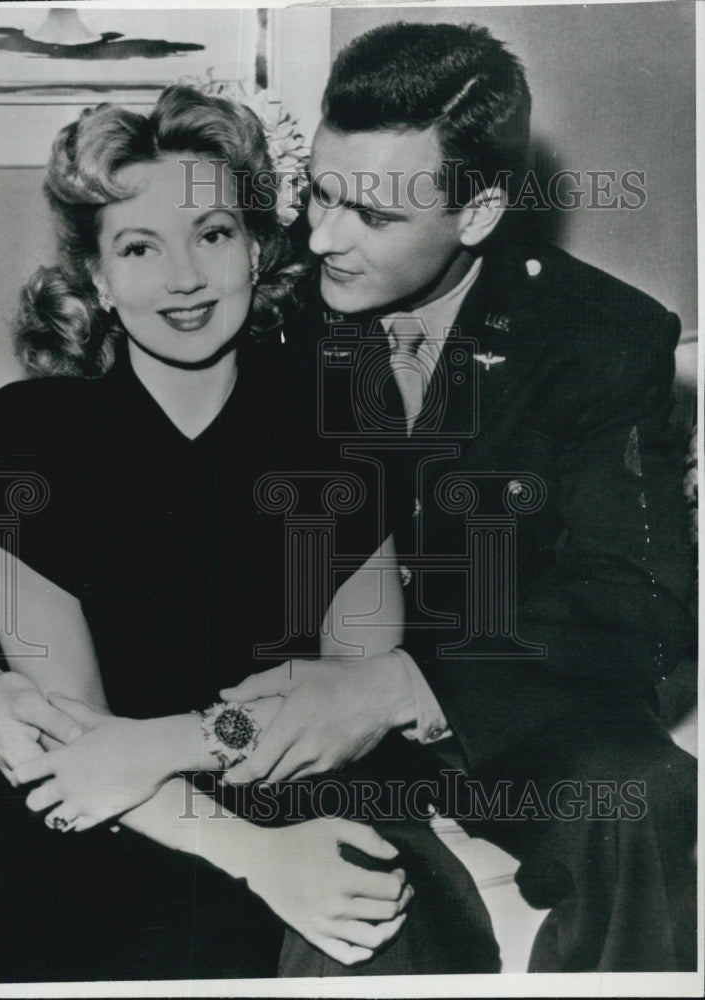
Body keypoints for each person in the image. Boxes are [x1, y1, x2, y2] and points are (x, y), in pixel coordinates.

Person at [0, 84, 435, 984]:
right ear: (99, 280)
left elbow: (347, 695)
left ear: (259, 250)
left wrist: (212, 773)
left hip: (287, 790)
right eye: (139, 246)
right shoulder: (30, 428)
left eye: (214, 235)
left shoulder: (341, 409)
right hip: (62, 808)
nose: (183, 277)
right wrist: (249, 855)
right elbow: (69, 730)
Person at [217, 22, 698, 973]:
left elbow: (640, 602)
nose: (321, 240)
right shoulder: (254, 307)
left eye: (373, 216)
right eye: (320, 192)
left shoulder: (605, 337)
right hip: (312, 704)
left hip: (523, 704)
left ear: (476, 213)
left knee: (641, 801)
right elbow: (83, 459)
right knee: (373, 909)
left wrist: (409, 685)